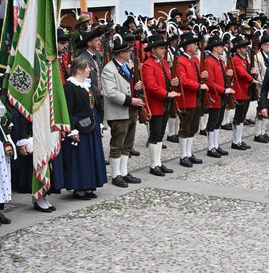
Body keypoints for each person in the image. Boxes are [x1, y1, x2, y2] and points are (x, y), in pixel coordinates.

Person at [101, 34, 144, 188]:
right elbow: (111, 93)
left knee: (128, 143)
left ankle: (124, 172)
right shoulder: (109, 69)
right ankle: (116, 174)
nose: (130, 51)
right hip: (119, 111)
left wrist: (136, 86)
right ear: (120, 53)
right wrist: (130, 100)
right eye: (127, 50)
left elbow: (130, 83)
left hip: (131, 110)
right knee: (117, 143)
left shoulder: (129, 65)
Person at [62, 58, 108, 200]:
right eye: (87, 68)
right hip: (79, 125)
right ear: (80, 69)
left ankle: (89, 185)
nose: (90, 70)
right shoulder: (70, 86)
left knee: (91, 156)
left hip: (91, 124)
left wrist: (99, 122)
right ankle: (79, 188)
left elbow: (94, 106)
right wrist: (72, 130)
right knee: (81, 158)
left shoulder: (88, 85)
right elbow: (68, 110)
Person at [142, 33, 180, 176]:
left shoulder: (163, 63)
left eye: (164, 48)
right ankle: (153, 165)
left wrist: (172, 83)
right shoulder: (147, 65)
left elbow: (166, 80)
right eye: (161, 48)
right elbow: (151, 87)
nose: (164, 50)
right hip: (155, 103)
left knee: (161, 135)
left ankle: (158, 162)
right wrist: (166, 93)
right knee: (154, 134)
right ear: (153, 50)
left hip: (165, 103)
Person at [176, 31, 207, 167]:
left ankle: (189, 153)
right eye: (194, 44)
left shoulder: (195, 59)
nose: (196, 46)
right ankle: (183, 155)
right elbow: (183, 80)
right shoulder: (180, 61)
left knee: (194, 126)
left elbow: (195, 76)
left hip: (196, 97)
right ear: (188, 46)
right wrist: (199, 85)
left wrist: (202, 76)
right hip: (186, 98)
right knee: (185, 127)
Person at [204, 35, 235, 158]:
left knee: (218, 121)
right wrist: (223, 90)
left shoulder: (220, 61)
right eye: (220, 46)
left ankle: (215, 145)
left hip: (221, 95)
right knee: (212, 121)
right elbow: (210, 82)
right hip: (214, 95)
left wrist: (228, 75)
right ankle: (210, 147)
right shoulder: (209, 61)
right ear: (215, 48)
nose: (223, 48)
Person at [230, 35, 257, 150]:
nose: (246, 49)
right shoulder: (235, 59)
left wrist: (253, 72)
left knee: (242, 116)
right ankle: (235, 141)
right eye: (243, 47)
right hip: (240, 90)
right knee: (238, 116)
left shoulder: (244, 59)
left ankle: (239, 140)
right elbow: (241, 73)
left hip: (246, 90)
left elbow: (247, 72)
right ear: (238, 49)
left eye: (246, 47)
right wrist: (252, 79)